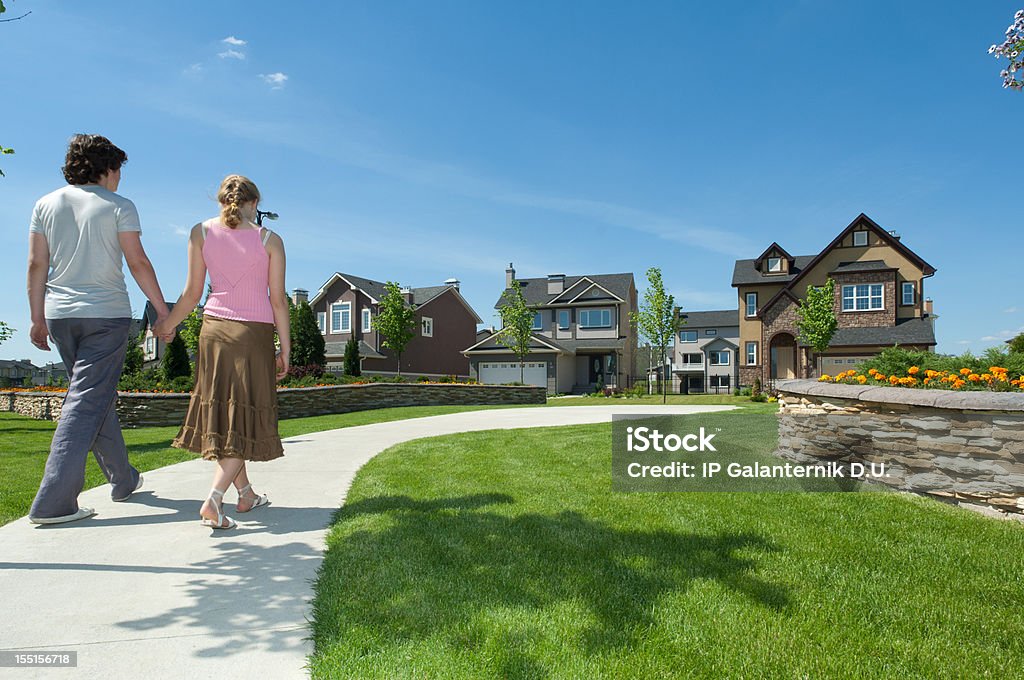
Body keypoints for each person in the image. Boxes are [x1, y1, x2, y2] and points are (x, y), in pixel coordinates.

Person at [27, 134, 170, 524]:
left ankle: (123, 479)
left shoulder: (45, 203)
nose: (120, 178)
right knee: (86, 400)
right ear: (106, 168)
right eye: (119, 170)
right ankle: (54, 502)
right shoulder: (119, 206)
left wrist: (37, 317)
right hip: (105, 315)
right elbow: (138, 262)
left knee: (93, 396)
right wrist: (161, 310)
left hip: (60, 317)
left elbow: (37, 265)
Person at [154, 175, 289, 530]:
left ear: (221, 201)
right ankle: (214, 500)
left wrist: (167, 324)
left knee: (230, 414)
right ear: (254, 204)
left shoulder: (200, 232)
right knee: (243, 417)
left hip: (213, 331)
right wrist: (285, 348)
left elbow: (191, 294)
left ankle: (245, 494)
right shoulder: (271, 240)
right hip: (253, 334)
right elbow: (278, 301)